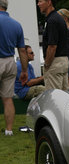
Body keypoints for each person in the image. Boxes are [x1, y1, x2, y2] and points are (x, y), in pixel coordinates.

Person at [0, 0, 27, 136]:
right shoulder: (16, 25)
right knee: (8, 98)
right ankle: (9, 130)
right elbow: (22, 50)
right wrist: (24, 70)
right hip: (10, 61)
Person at [38, 0, 69, 92]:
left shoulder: (52, 20)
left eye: (40, 1)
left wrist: (47, 64)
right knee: (64, 97)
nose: (38, 4)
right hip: (63, 61)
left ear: (49, 2)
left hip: (55, 62)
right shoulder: (58, 18)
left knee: (53, 98)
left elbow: (52, 46)